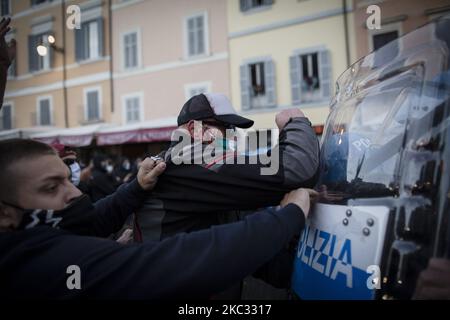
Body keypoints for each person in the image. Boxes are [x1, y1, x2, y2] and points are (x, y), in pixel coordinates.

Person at [0, 139, 312, 299]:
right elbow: (181, 260)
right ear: (5, 213)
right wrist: (286, 216)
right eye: (52, 187)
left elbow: (93, 220)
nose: (73, 194)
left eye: (69, 180)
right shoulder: (39, 263)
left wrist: (136, 187)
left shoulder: (35, 230)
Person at [136, 93, 320, 241]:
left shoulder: (178, 158)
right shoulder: (190, 159)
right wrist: (295, 122)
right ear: (194, 129)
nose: (232, 137)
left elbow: (236, 229)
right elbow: (298, 168)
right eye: (226, 128)